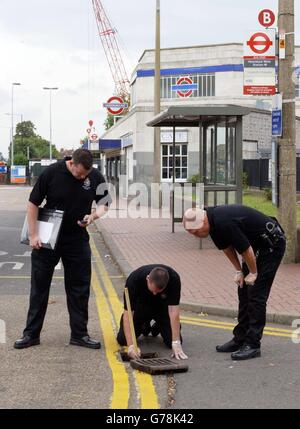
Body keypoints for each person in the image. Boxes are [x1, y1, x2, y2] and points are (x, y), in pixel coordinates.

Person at [14, 149, 110, 350]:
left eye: (86, 174)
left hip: (77, 239)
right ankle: (31, 334)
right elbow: (33, 203)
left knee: (79, 288)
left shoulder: (95, 176)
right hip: (48, 237)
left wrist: (92, 217)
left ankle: (79, 335)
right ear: (71, 163)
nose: (83, 177)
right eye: (79, 174)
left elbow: (104, 205)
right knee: (39, 287)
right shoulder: (51, 173)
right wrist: (33, 235)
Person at [183, 205, 286, 361]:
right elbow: (227, 248)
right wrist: (239, 271)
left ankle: (253, 344)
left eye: (196, 232)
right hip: (255, 245)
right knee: (243, 289)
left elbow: (246, 250)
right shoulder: (212, 223)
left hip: (271, 244)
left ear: (203, 222)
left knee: (256, 294)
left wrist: (253, 273)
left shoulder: (224, 222)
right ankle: (240, 338)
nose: (196, 236)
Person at [117, 265, 188, 360]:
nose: (155, 294)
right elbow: (128, 314)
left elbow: (173, 311)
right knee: (123, 339)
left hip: (162, 308)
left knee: (171, 341)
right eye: (153, 290)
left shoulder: (174, 279)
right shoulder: (134, 280)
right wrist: (131, 345)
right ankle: (144, 325)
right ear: (147, 279)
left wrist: (176, 342)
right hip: (141, 307)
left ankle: (159, 325)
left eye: (158, 291)